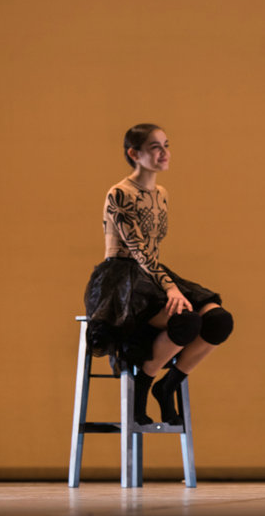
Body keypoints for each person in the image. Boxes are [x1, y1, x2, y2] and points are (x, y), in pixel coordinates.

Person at [83, 124, 234, 425]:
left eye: (166, 145)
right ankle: (143, 384)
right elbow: (137, 249)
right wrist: (170, 288)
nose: (164, 153)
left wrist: (167, 285)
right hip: (121, 279)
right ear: (134, 153)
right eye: (155, 147)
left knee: (219, 320)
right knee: (186, 320)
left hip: (151, 275)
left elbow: (152, 251)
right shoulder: (119, 193)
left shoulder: (161, 193)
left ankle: (168, 386)